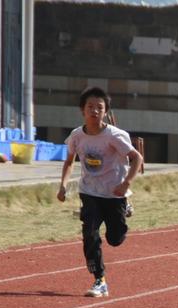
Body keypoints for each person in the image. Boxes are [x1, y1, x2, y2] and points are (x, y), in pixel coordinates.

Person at [57, 86, 143, 297]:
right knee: (90, 234)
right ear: (82, 110)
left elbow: (137, 158)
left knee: (115, 239)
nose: (94, 111)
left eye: (99, 107)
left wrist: (126, 184)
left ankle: (124, 210)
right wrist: (63, 185)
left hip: (115, 193)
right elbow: (69, 162)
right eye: (90, 107)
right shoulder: (77, 136)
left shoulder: (115, 135)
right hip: (89, 192)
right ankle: (99, 280)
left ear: (106, 111)